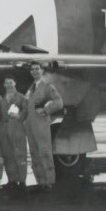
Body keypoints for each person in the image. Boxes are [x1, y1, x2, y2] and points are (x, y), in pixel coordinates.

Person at [25, 62, 64, 191]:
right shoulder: (31, 89)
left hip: (41, 125)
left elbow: (59, 102)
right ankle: (40, 181)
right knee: (35, 153)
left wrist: (46, 110)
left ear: (42, 71)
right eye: (32, 69)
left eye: (37, 69)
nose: (34, 71)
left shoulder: (47, 87)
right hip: (30, 126)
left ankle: (48, 182)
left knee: (44, 152)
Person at [0, 75, 29, 189]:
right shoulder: (2, 99)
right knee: (8, 155)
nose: (9, 85)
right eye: (6, 83)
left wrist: (18, 116)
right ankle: (12, 180)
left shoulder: (21, 97)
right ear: (4, 85)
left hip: (17, 128)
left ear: (15, 83)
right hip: (5, 129)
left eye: (10, 82)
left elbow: (26, 111)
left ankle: (22, 181)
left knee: (20, 154)